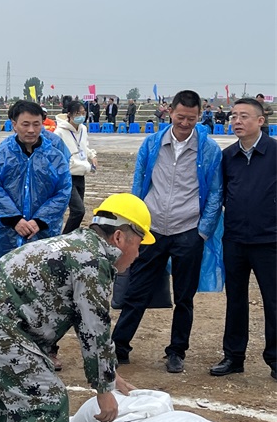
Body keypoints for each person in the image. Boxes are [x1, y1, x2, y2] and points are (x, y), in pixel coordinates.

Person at [0, 193, 151, 422]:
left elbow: (87, 324)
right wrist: (104, 389)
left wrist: (110, 374)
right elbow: (94, 327)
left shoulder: (77, 245)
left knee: (13, 392)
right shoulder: (93, 261)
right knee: (47, 396)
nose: (138, 254)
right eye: (139, 244)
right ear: (119, 237)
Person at [112, 90, 223, 373]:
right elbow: (139, 182)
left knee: (184, 297)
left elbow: (215, 193)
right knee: (136, 290)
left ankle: (176, 351)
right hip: (152, 230)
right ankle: (119, 346)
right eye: (180, 116)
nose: (185, 123)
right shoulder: (152, 144)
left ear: (200, 116)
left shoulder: (209, 150)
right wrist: (136, 224)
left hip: (188, 230)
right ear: (170, 112)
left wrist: (202, 232)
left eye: (191, 118)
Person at [209, 98, 276, 380]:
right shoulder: (227, 156)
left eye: (244, 116)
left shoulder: (274, 152)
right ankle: (234, 356)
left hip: (269, 241)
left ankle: (275, 360)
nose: (237, 121)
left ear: (260, 121)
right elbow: (221, 194)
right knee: (235, 299)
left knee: (273, 301)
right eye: (234, 116)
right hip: (235, 239)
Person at [0, 100, 72, 262]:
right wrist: (14, 219)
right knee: (5, 272)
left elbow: (63, 192)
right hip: (7, 234)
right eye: (25, 124)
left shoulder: (55, 158)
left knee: (42, 271)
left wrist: (40, 220)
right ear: (14, 125)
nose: (31, 130)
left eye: (36, 124)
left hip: (43, 233)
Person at [55, 100, 98, 234]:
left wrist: (92, 156)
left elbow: (84, 146)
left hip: (81, 175)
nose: (81, 116)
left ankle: (71, 236)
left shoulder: (83, 129)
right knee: (79, 210)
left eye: (83, 113)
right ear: (69, 114)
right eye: (77, 113)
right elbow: (58, 156)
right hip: (67, 176)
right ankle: (65, 237)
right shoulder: (59, 132)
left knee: (77, 211)